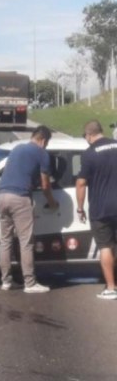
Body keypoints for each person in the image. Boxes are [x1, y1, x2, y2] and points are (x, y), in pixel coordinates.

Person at [0, 125, 58, 293]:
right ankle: (30, 283)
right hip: (20, 197)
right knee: (26, 242)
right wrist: (52, 202)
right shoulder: (42, 154)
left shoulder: (17, 149)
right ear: (43, 140)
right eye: (47, 143)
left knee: (5, 241)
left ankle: (6, 281)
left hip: (2, 195)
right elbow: (45, 185)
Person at [76, 120, 117, 300]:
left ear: (89, 135)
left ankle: (111, 288)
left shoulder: (89, 153)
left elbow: (81, 183)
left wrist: (80, 208)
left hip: (101, 208)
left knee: (105, 247)